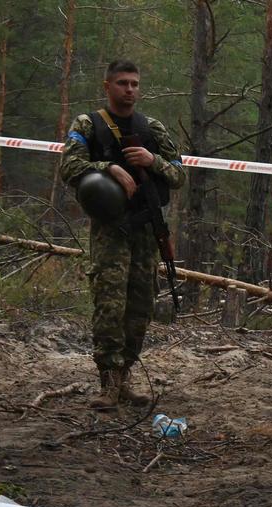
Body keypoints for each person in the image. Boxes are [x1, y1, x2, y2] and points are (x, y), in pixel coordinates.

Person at [60, 60, 186, 410]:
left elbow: (178, 174)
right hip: (110, 231)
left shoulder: (151, 128)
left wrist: (151, 161)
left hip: (145, 230)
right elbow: (68, 166)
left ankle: (126, 374)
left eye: (134, 83)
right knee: (109, 305)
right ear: (107, 86)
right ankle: (108, 382)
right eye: (122, 83)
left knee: (140, 305)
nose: (129, 89)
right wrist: (108, 167)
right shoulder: (89, 124)